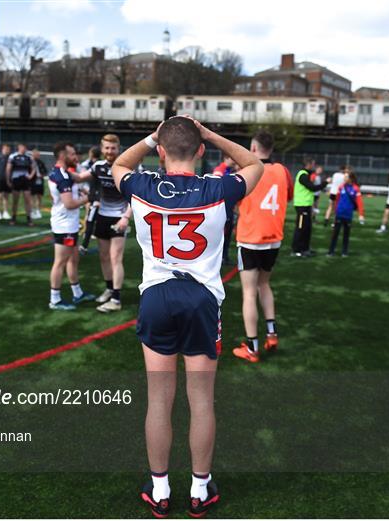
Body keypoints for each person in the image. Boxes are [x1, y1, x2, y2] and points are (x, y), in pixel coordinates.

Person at [111, 116, 264, 518]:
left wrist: (151, 137)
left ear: (161, 152)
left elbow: (119, 166)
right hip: (200, 300)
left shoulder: (142, 185)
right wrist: (211, 135)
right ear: (200, 151)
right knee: (201, 401)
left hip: (157, 296)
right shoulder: (219, 187)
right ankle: (199, 488)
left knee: (159, 400)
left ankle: (160, 490)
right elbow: (255, 165)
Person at [232, 130, 293, 363]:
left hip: (249, 239)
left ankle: (252, 347)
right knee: (265, 284)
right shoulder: (283, 171)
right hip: (273, 238)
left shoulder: (247, 172)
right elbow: (285, 197)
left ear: (254, 149)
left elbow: (235, 201)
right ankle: (272, 334)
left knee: (249, 292)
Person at [71, 134, 131, 313]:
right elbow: (79, 177)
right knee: (104, 257)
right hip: (102, 217)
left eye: (113, 148)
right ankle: (110, 289)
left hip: (119, 219)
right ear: (102, 148)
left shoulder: (126, 168)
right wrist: (62, 168)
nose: (109, 151)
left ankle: (116, 299)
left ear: (118, 149)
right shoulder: (97, 166)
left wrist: (125, 217)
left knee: (115, 258)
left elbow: (134, 197)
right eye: (106, 148)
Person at [48, 142, 95, 310]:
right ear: (63, 156)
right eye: (72, 154)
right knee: (60, 261)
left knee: (73, 259)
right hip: (65, 227)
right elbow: (69, 203)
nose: (75, 157)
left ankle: (77, 293)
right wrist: (89, 198)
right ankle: (55, 299)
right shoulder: (61, 175)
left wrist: (81, 193)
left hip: (70, 225)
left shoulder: (65, 173)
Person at [291, 157, 329, 256]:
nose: (314, 166)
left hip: (306, 205)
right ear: (308, 164)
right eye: (313, 164)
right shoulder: (303, 175)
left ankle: (305, 249)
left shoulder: (306, 174)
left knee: (307, 228)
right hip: (301, 206)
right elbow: (312, 188)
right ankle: (296, 250)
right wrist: (325, 183)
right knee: (300, 228)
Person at [328, 170, 365, 257]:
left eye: (346, 177)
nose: (344, 178)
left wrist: (361, 215)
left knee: (346, 234)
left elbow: (360, 203)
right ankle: (331, 251)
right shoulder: (341, 187)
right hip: (339, 213)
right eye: (344, 176)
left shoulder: (356, 188)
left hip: (348, 215)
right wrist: (335, 211)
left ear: (351, 178)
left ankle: (344, 252)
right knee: (335, 234)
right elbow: (337, 200)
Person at [79, 146, 102, 254]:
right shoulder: (100, 164)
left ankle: (85, 242)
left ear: (91, 153)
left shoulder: (94, 166)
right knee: (91, 217)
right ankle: (89, 235)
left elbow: (82, 177)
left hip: (95, 196)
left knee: (90, 218)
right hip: (96, 195)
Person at [6, 143, 36, 226]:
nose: (24, 149)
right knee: (15, 200)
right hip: (16, 179)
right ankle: (13, 217)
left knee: (27, 200)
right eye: (23, 147)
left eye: (25, 147)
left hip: (25, 179)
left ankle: (29, 218)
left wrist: (30, 176)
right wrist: (8, 180)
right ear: (19, 147)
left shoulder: (28, 157)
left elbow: (34, 167)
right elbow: (8, 168)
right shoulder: (13, 156)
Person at [0, 144, 12, 221]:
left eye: (8, 149)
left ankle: (5, 211)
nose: (6, 150)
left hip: (7, 179)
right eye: (5, 149)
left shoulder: (10, 159)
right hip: (0, 179)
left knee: (6, 196)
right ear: (2, 150)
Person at [31, 148, 47, 220]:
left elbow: (45, 171)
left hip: (40, 181)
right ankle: (32, 210)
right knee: (32, 197)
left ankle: (38, 210)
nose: (38, 155)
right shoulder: (30, 162)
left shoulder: (41, 162)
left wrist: (42, 175)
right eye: (37, 154)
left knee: (39, 197)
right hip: (32, 182)